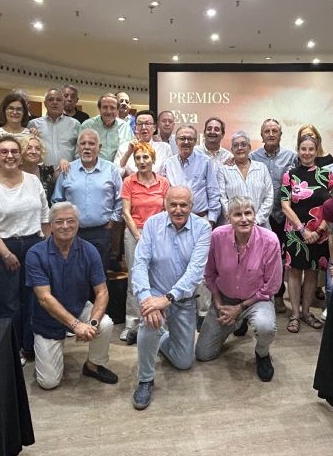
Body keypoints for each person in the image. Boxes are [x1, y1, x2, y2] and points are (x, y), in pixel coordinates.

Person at [130, 186, 211, 410]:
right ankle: (145, 379)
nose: (178, 209)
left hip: (183, 300)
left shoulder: (203, 228)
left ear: (192, 207)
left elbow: (195, 272)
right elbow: (140, 264)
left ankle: (153, 337)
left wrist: (167, 298)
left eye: (183, 205)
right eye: (173, 204)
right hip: (155, 294)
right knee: (151, 322)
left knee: (184, 362)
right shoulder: (152, 225)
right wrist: (148, 300)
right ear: (165, 204)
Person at [0, 135, 51, 362]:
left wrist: (47, 245)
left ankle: (29, 345)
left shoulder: (33, 181)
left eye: (14, 151)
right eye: (4, 152)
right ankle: (13, 348)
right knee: (8, 302)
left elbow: (44, 214)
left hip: (34, 245)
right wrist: (5, 253)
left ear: (21, 154)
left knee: (34, 298)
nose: (9, 156)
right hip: (1, 248)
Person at [25, 202, 118, 389]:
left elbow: (102, 292)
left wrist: (91, 325)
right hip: (47, 318)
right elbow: (44, 298)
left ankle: (93, 365)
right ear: (50, 225)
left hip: (78, 306)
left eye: (70, 221)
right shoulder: (35, 254)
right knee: (49, 383)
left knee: (105, 324)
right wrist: (75, 325)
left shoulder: (89, 250)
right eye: (59, 222)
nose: (65, 226)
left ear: (78, 224)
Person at [194, 196, 282, 382]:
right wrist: (218, 304)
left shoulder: (270, 240)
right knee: (203, 354)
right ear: (228, 217)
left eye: (248, 213)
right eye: (237, 214)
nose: (244, 219)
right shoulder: (217, 236)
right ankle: (238, 322)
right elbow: (209, 273)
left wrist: (240, 308)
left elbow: (271, 286)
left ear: (255, 215)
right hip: (224, 299)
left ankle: (262, 353)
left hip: (256, 300)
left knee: (265, 327)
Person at [162, 125, 221, 326]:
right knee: (175, 265)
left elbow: (214, 193)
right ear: (176, 141)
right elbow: (164, 193)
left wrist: (210, 221)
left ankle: (203, 313)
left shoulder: (205, 162)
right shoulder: (168, 164)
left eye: (189, 138)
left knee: (202, 269)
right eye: (182, 138)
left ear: (196, 141)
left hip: (199, 220)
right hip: (175, 221)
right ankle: (174, 309)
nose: (185, 141)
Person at [119, 141, 170, 341]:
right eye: (138, 158)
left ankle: (158, 320)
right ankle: (132, 323)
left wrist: (156, 234)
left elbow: (167, 210)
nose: (141, 161)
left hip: (158, 234)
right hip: (135, 233)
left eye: (145, 157)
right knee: (135, 278)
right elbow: (125, 211)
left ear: (153, 160)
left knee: (157, 276)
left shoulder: (163, 182)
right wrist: (138, 235)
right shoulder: (129, 182)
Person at [281, 133, 332, 333]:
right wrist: (302, 229)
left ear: (316, 150)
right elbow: (285, 204)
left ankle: (306, 312)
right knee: (294, 272)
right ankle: (294, 313)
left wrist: (318, 231)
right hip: (295, 232)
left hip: (319, 233)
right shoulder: (290, 175)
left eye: (311, 149)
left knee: (311, 273)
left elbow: (332, 205)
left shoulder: (327, 175)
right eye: (304, 149)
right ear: (298, 150)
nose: (307, 153)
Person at [52, 128, 123, 269]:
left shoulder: (111, 169)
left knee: (100, 275)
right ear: (78, 147)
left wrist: (113, 220)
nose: (87, 147)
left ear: (99, 147)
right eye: (83, 143)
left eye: (91, 143)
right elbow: (57, 200)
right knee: (73, 275)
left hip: (102, 232)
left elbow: (120, 198)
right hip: (72, 233)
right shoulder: (68, 170)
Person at [251, 118, 296, 313]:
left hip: (285, 215)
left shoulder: (291, 157)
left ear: (280, 135)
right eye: (267, 131)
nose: (270, 134)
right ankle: (261, 294)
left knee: (282, 259)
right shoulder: (252, 156)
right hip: (262, 216)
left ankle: (278, 294)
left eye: (274, 131)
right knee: (261, 257)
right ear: (261, 135)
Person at [218, 131, 273, 227]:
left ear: (249, 148)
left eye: (243, 144)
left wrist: (256, 220)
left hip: (260, 225)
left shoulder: (261, 168)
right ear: (231, 149)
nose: (240, 148)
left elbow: (269, 196)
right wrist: (236, 219)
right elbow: (222, 199)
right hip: (233, 226)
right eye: (236, 145)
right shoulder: (223, 170)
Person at [27, 88, 80, 178]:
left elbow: (79, 151)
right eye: (51, 99)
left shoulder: (75, 124)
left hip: (69, 174)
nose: (55, 102)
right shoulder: (34, 124)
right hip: (42, 175)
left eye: (58, 100)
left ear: (63, 103)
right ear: (45, 103)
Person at [115, 110, 172, 176]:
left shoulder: (164, 148)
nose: (143, 127)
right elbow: (116, 174)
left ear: (154, 128)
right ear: (135, 127)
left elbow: (170, 173)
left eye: (147, 123)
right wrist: (128, 153)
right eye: (140, 124)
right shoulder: (124, 147)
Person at [80, 93, 134, 161]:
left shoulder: (125, 127)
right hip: (94, 169)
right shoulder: (88, 126)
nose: (109, 111)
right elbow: (79, 152)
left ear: (117, 110)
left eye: (112, 108)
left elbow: (131, 152)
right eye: (105, 107)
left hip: (118, 169)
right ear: (99, 109)